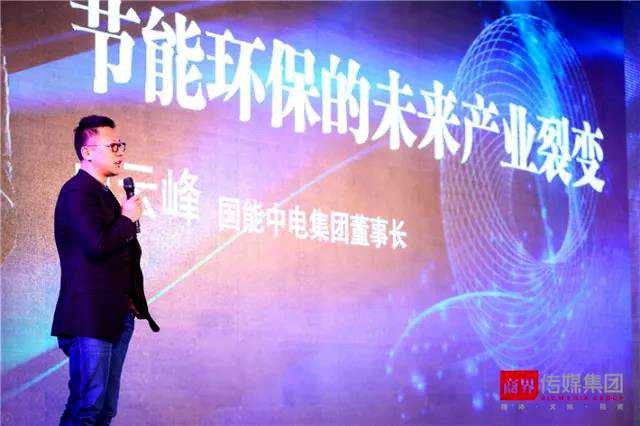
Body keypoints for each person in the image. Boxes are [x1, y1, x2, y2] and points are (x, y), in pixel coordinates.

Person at [51, 115, 159, 425]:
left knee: (104, 409)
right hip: (90, 316)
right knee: (87, 407)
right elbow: (96, 245)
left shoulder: (105, 194)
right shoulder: (77, 192)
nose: (120, 152)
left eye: (121, 145)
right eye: (113, 146)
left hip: (115, 315)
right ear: (87, 152)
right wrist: (126, 219)